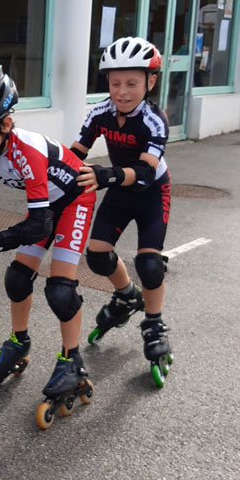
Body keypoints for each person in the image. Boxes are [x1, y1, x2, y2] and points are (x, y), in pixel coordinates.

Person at [0, 64, 96, 426]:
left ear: (5, 125)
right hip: (47, 208)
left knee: (60, 291)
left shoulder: (26, 151)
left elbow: (38, 223)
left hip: (74, 203)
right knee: (17, 279)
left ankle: (72, 359)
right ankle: (18, 341)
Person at [69, 36, 173, 388]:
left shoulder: (155, 121)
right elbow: (74, 155)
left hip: (151, 191)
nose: (123, 91)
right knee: (97, 257)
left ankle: (154, 322)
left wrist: (104, 175)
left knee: (149, 263)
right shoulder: (99, 113)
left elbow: (144, 174)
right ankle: (128, 295)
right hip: (119, 189)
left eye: (132, 83)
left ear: (150, 82)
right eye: (115, 83)